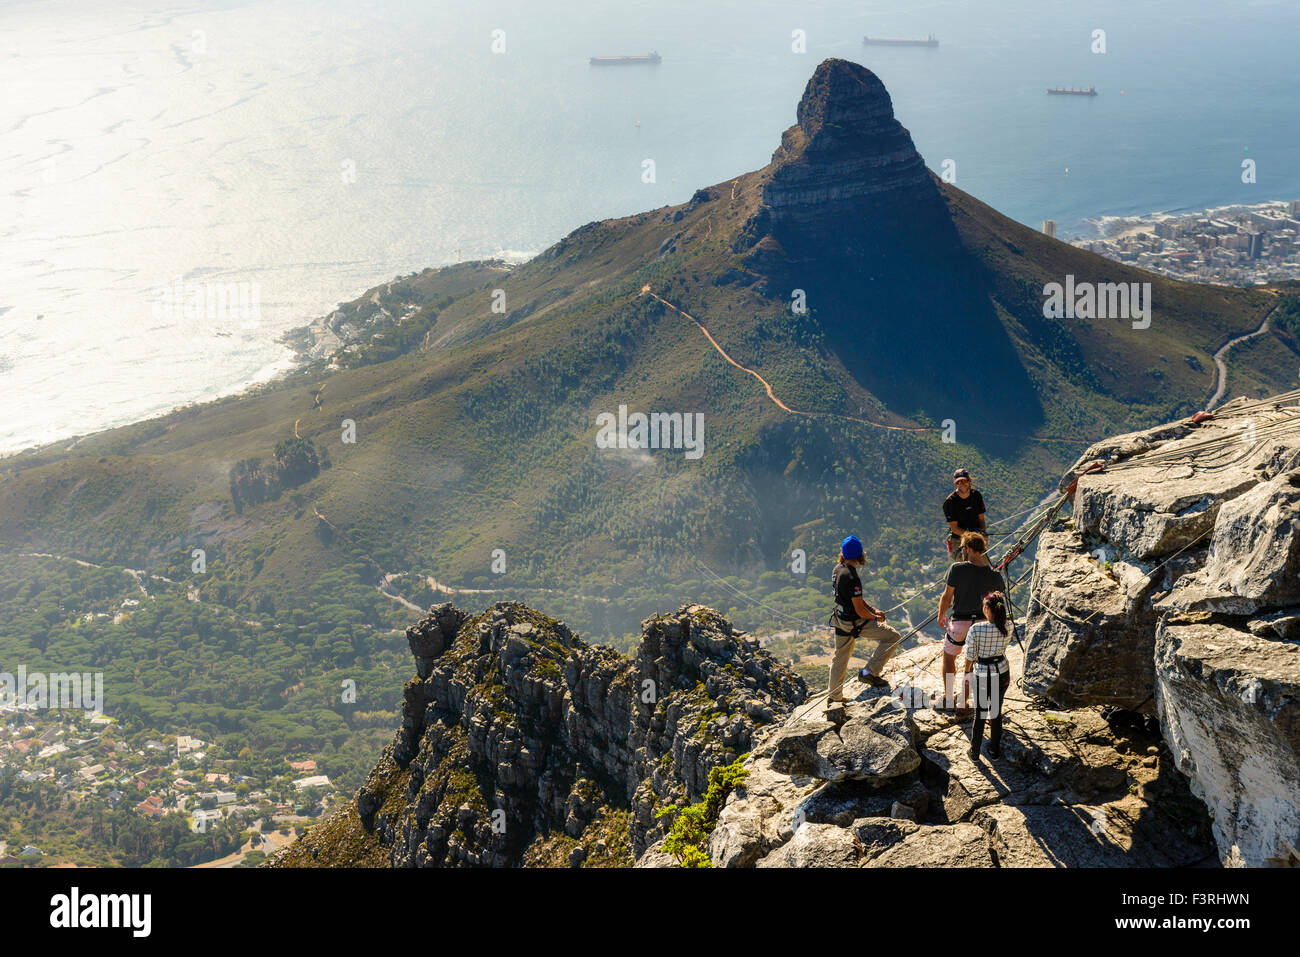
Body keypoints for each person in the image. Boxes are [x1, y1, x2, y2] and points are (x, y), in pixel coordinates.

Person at [828, 535, 902, 707]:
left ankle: (834, 698)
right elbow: (859, 609)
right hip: (854, 621)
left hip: (840, 619)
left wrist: (872, 609)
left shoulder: (838, 569)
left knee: (840, 656)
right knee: (893, 637)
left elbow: (856, 600)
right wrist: (876, 617)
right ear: (861, 555)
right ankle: (869, 673)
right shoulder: (852, 577)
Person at [936, 532, 1005, 711]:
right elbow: (998, 602)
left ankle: (949, 697)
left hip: (960, 622)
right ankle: (964, 702)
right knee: (972, 662)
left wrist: (941, 614)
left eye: (963, 549)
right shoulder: (994, 575)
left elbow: (947, 596)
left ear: (968, 548)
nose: (963, 552)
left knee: (949, 657)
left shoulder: (957, 569)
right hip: (982, 623)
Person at [966, 591, 1014, 761]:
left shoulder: (976, 629)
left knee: (980, 713)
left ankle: (975, 752)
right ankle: (994, 751)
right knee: (996, 712)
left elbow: (970, 656)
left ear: (987, 608)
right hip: (1002, 671)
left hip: (983, 674)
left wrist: (967, 671)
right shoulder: (1008, 626)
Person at [943, 469, 986, 561]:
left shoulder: (976, 495)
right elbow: (955, 528)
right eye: (958, 482)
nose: (962, 484)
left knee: (984, 569)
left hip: (976, 539)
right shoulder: (950, 502)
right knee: (967, 570)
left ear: (969, 480)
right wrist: (974, 536)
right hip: (959, 541)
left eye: (964, 481)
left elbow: (981, 520)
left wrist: (984, 533)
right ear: (955, 484)